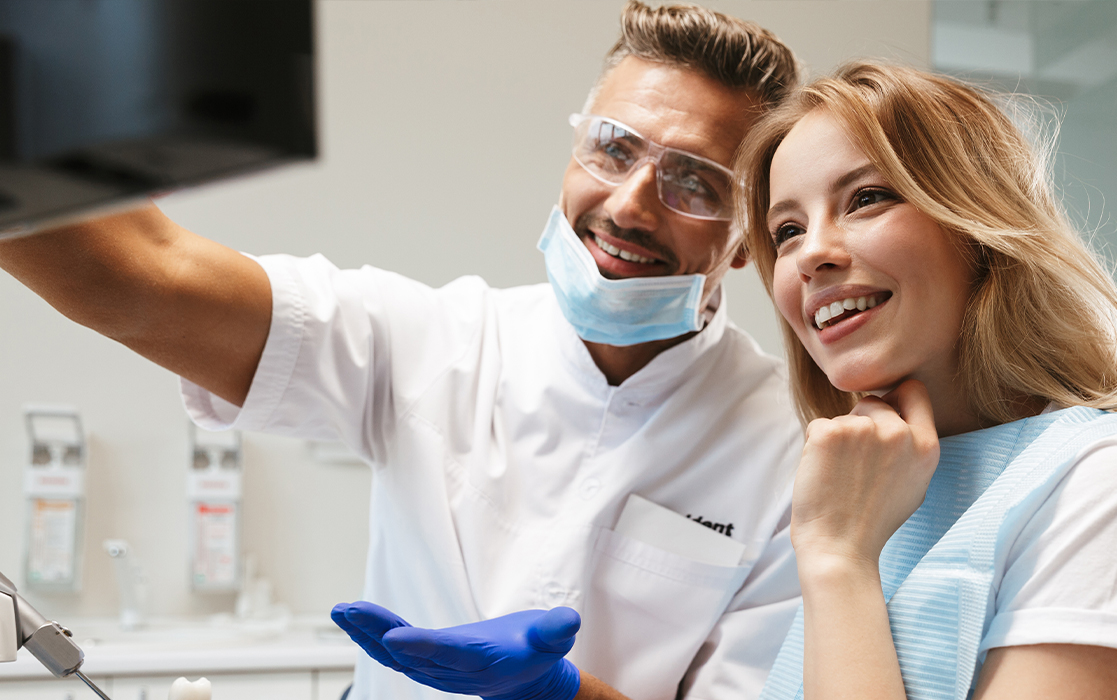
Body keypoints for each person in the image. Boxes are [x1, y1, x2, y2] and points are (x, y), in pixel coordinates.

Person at [0, 3, 805, 700]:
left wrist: (555, 694)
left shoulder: (791, 455)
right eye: (614, 148)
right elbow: (143, 280)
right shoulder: (431, 342)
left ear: (746, 239)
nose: (629, 205)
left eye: (694, 182)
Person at [732, 61, 1117, 699]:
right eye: (787, 232)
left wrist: (837, 564)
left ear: (977, 226)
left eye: (867, 198)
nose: (812, 254)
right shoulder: (868, 495)